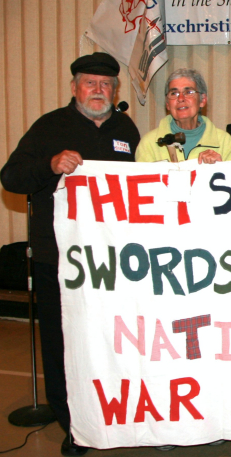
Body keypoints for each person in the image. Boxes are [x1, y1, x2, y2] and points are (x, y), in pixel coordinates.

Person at [0, 52, 140, 456]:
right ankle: (74, 426)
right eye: (90, 83)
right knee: (64, 347)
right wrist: (50, 164)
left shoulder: (126, 129)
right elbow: (11, 177)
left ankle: (112, 415)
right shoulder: (50, 127)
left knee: (111, 342)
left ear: (115, 90)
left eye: (106, 85)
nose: (98, 91)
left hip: (112, 264)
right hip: (58, 262)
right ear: (75, 87)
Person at [136, 68, 231, 163]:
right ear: (167, 104)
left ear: (202, 100)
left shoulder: (225, 142)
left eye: (189, 92)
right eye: (174, 93)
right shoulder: (149, 143)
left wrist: (222, 167)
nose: (181, 98)